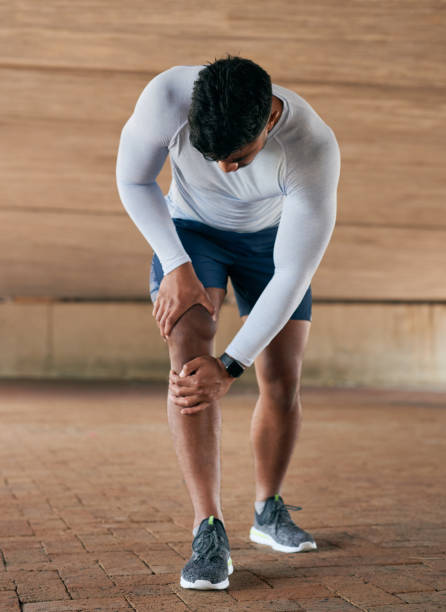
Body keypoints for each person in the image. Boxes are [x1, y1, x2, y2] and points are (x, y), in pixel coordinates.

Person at [116, 54, 341, 590]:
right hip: (190, 231)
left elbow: (292, 273)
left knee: (282, 377)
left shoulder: (312, 148)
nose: (224, 170)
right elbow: (133, 179)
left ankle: (268, 509)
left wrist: (234, 364)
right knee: (191, 363)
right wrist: (175, 264)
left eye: (237, 158)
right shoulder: (168, 97)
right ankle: (207, 527)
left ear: (267, 120)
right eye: (211, 155)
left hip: (273, 243)